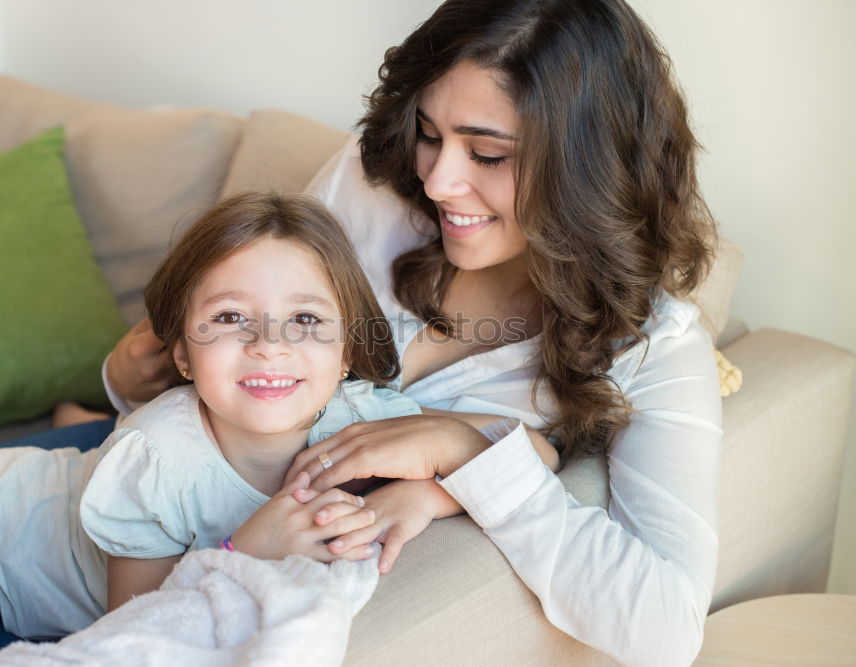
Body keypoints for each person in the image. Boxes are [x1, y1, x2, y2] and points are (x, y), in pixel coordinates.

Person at [105, 1, 722, 665]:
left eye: (488, 154)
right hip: (106, 498)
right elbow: (206, 380)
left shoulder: (654, 347)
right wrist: (118, 379)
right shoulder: (373, 187)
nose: (437, 179)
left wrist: (459, 457)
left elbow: (668, 629)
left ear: (588, 167)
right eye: (430, 132)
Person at [0, 191, 560, 667]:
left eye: (306, 321)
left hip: (31, 615)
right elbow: (134, 629)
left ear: (347, 352)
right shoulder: (158, 452)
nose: (269, 344)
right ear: (184, 353)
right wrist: (241, 550)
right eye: (230, 318)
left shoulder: (359, 418)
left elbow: (535, 447)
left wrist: (430, 491)